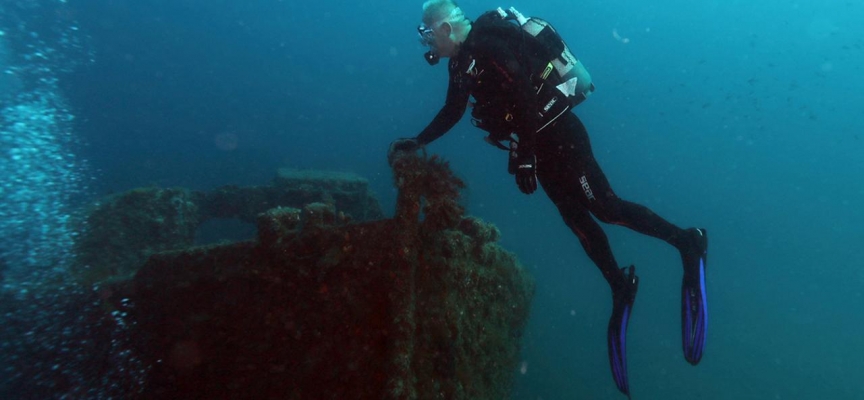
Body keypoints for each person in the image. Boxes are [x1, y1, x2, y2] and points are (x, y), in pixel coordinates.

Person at [387, 1, 709, 397]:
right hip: (540, 147)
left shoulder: (488, 45)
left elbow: (522, 91)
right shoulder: (461, 64)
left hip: (560, 136)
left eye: (427, 33)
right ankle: (618, 285)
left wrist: (524, 157)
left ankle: (688, 241)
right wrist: (418, 140)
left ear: (445, 29)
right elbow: (453, 110)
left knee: (606, 207)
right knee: (574, 218)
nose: (426, 42)